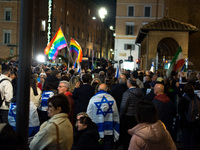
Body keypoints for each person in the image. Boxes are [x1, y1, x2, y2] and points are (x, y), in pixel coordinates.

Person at [87, 83, 119, 150]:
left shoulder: (93, 99)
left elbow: (89, 114)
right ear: (107, 89)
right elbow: (115, 115)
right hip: (109, 128)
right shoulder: (112, 99)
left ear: (98, 89)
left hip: (96, 128)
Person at [120, 77, 145, 150]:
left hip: (128, 117)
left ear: (129, 84)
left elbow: (123, 106)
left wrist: (121, 115)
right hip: (138, 116)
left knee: (127, 136)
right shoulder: (141, 92)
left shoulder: (127, 93)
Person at [178, 83, 200, 150]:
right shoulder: (197, 98)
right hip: (195, 121)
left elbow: (180, 111)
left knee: (186, 139)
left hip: (185, 122)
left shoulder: (184, 99)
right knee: (193, 138)